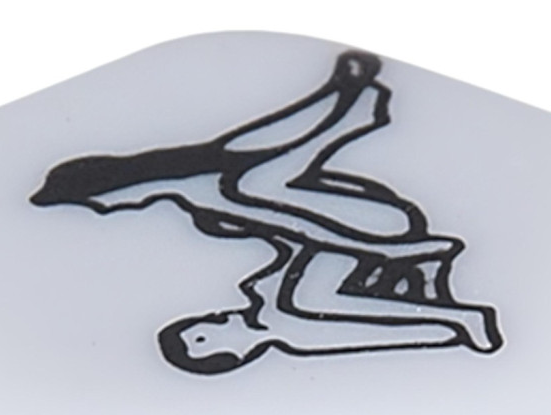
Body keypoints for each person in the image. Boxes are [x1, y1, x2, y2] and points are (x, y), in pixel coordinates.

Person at [31, 50, 503, 372]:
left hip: (377, 232)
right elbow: (302, 222)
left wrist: (338, 95)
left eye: (99, 203)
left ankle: (353, 106)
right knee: (254, 190)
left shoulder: (211, 194)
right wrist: (403, 263)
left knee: (249, 181)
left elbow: (295, 213)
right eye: (203, 339)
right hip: (378, 239)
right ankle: (354, 108)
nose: (206, 324)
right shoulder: (282, 315)